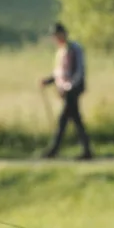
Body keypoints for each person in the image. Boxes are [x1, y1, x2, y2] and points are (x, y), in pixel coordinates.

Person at [40, 22, 93, 159]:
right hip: (65, 90)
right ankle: (86, 150)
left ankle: (54, 150)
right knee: (75, 120)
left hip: (72, 90)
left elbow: (79, 71)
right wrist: (49, 81)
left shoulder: (74, 49)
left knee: (63, 120)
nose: (55, 38)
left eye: (57, 35)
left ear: (63, 34)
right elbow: (60, 73)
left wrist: (70, 87)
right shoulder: (61, 50)